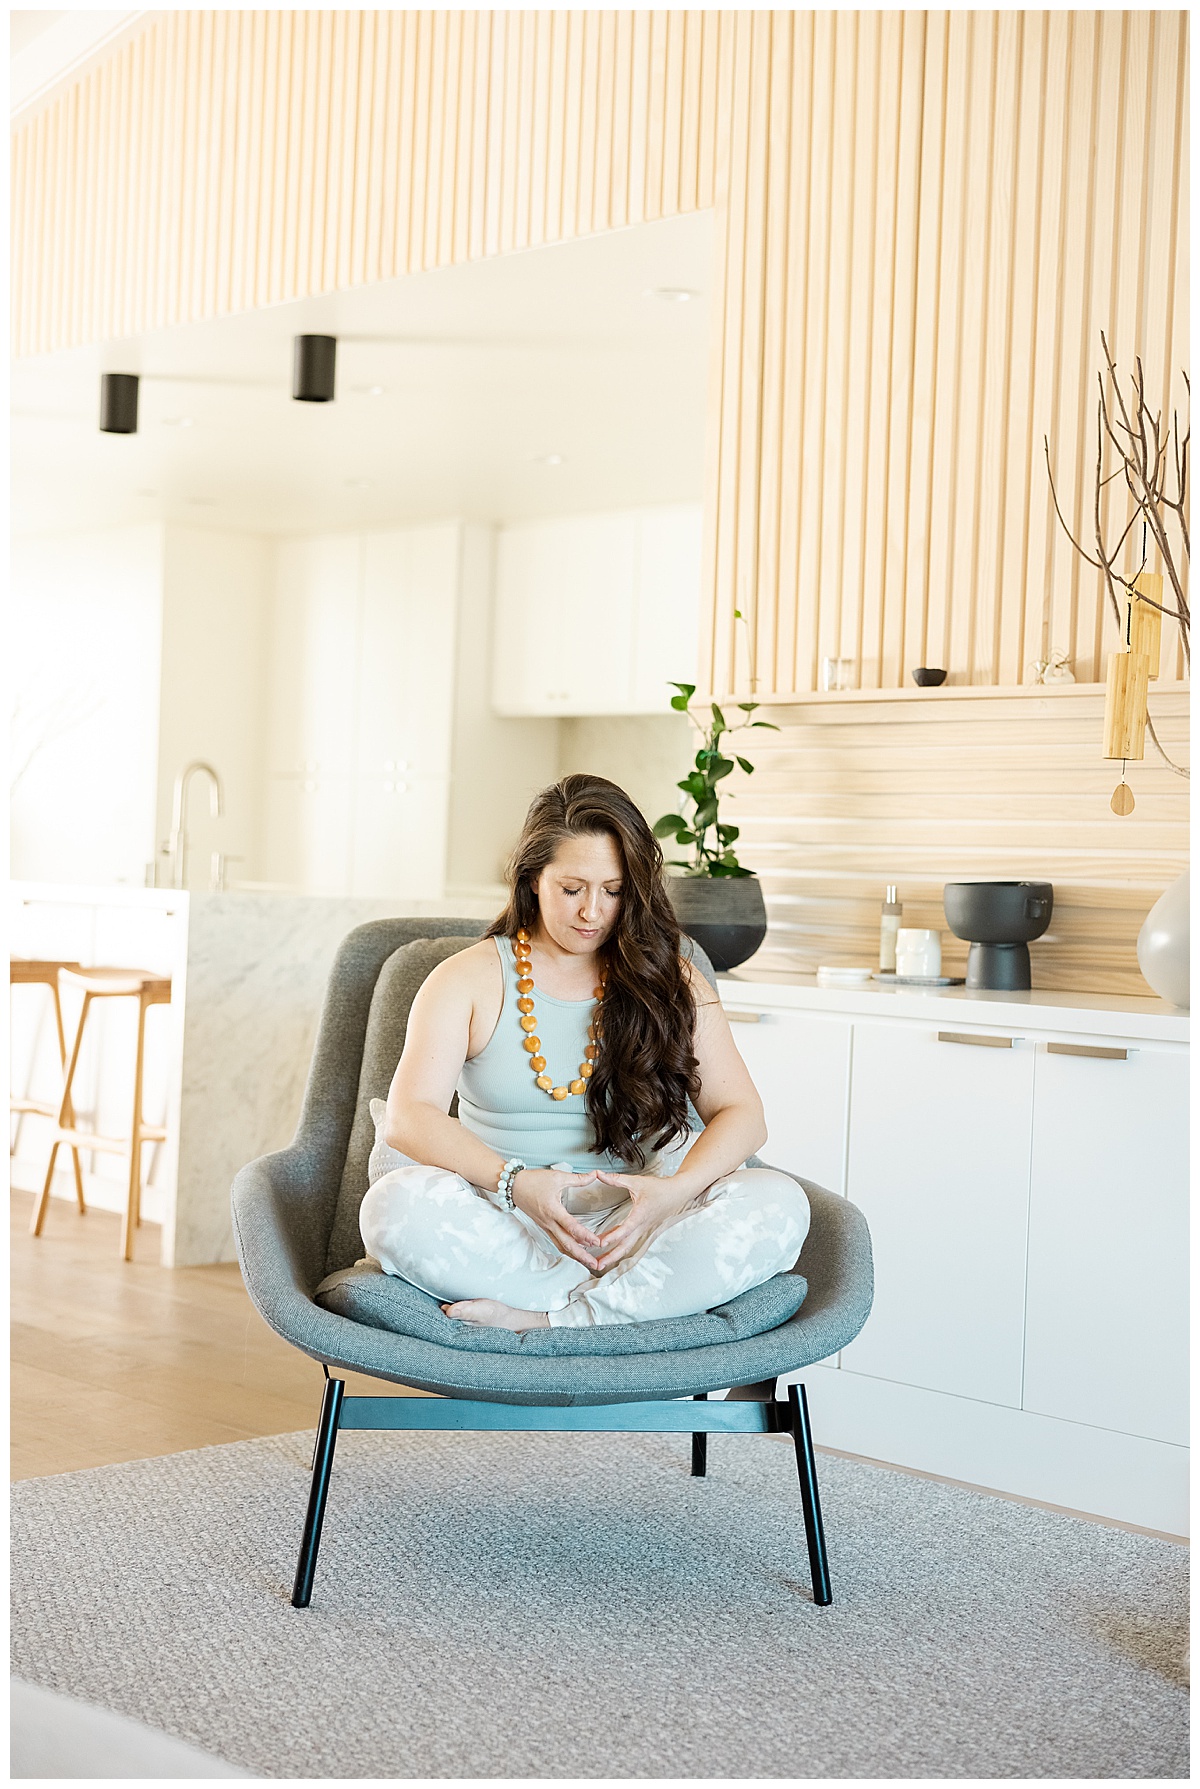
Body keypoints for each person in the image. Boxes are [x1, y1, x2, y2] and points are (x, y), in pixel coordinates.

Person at [359, 774, 810, 1331]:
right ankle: (625, 1308)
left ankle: (552, 1320)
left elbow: (744, 1115)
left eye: (613, 890)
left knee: (781, 1204)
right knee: (392, 1208)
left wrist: (671, 1196)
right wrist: (516, 1183)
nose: (592, 912)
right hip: (506, 1218)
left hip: (639, 1226)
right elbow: (409, 1118)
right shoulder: (465, 979)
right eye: (572, 889)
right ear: (532, 880)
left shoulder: (673, 980)